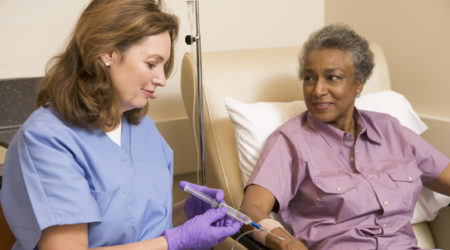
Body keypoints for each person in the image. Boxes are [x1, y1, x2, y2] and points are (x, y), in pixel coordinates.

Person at [0, 0, 241, 249]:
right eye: (151, 63)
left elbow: (141, 226)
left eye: (163, 65)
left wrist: (187, 213)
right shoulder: (47, 140)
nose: (161, 79)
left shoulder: (143, 131)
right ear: (107, 52)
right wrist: (174, 242)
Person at [240, 24, 450, 249]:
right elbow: (249, 211)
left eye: (332, 78)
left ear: (358, 84)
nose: (317, 89)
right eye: (309, 78)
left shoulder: (390, 129)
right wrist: (287, 243)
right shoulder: (290, 141)